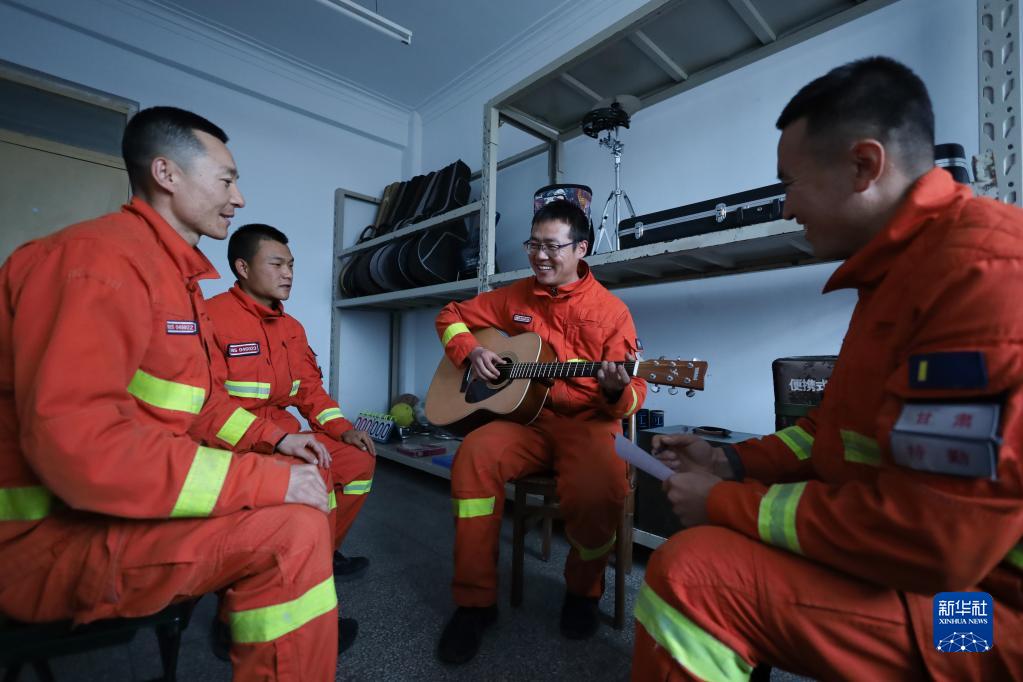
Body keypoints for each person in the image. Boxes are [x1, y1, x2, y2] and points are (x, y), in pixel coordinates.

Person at [632, 57, 1023, 681]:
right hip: (948, 579)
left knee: (695, 575)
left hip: (982, 615)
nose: (786, 208)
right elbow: (828, 430)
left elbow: (930, 543)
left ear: (863, 166)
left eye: (790, 183)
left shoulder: (983, 277)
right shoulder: (898, 276)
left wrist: (728, 504)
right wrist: (728, 462)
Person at [0, 106, 353, 680]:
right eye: (227, 179)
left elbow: (203, 404)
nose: (239, 198)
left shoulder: (172, 278)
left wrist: (277, 443)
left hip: (114, 508)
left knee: (300, 497)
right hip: (49, 540)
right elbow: (82, 449)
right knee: (292, 529)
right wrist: (267, 478)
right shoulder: (97, 263)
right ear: (166, 174)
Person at [433, 199, 647, 664]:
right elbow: (450, 315)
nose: (540, 256)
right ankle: (474, 603)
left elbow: (636, 392)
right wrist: (470, 352)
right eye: (533, 245)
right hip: (528, 420)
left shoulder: (612, 312)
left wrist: (616, 391)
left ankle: (583, 593)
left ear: (581, 248)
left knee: (601, 487)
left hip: (590, 425)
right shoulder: (513, 296)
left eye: (552, 246)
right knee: (474, 456)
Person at [206, 223, 376, 578]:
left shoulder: (291, 328)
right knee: (318, 472)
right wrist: (276, 440)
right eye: (277, 265)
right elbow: (209, 407)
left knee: (358, 460)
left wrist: (343, 430)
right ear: (243, 268)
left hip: (284, 437)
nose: (288, 274)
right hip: (235, 444)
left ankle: (323, 552)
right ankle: (303, 573)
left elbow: (309, 390)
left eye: (292, 265)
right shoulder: (210, 318)